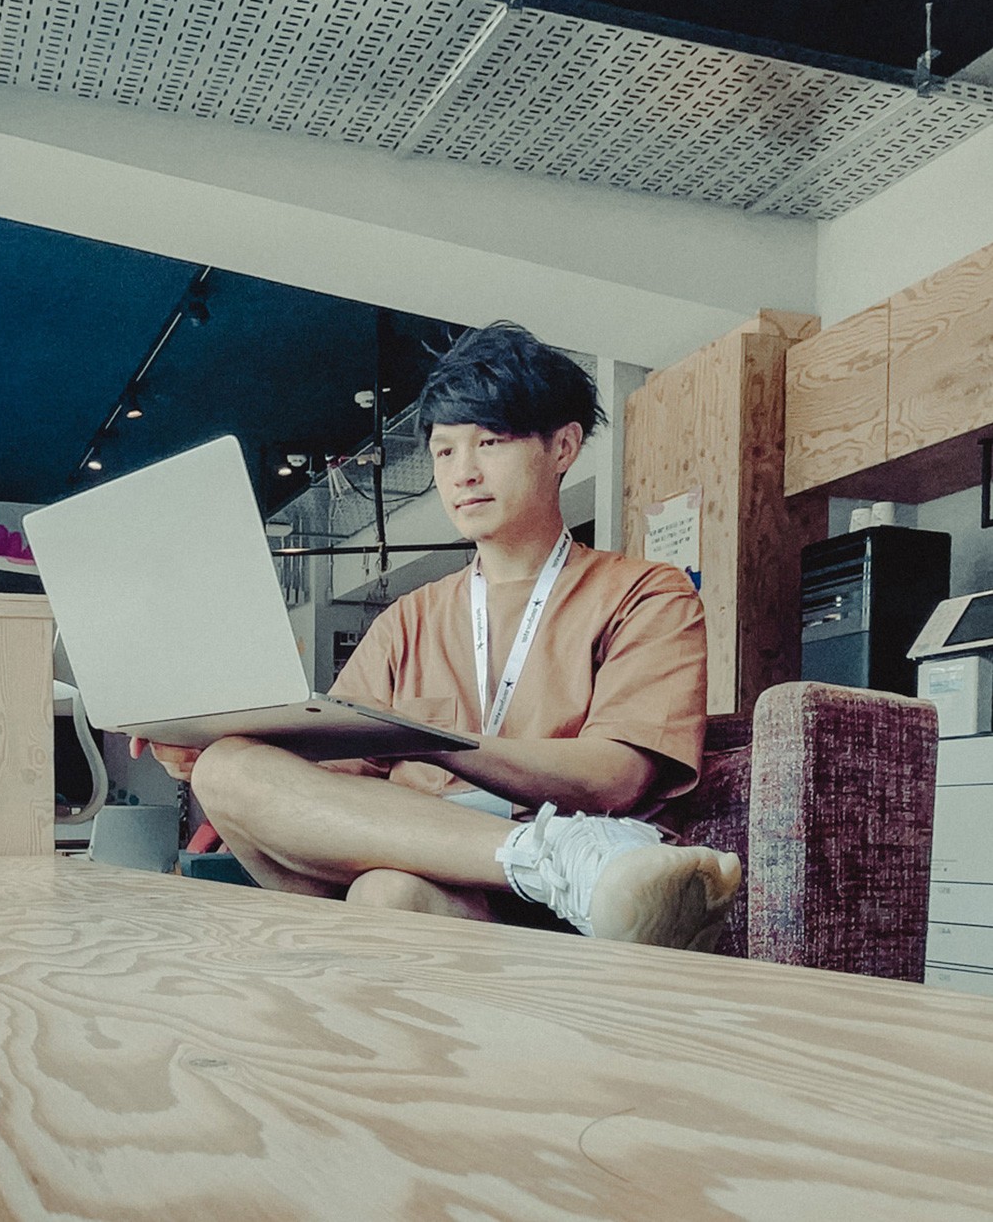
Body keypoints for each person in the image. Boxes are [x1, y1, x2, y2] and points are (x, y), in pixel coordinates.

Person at [133, 322, 741, 951]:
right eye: (445, 451)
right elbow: (317, 786)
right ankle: (550, 858)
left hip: (593, 908)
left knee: (386, 897)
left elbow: (614, 776)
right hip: (430, 880)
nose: (463, 472)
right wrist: (200, 745)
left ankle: (570, 866)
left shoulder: (646, 593)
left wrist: (429, 744)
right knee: (231, 771)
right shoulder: (406, 620)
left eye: (490, 442)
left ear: (564, 447)